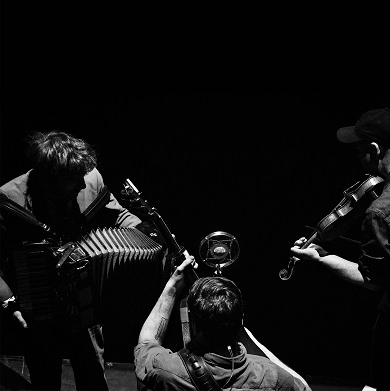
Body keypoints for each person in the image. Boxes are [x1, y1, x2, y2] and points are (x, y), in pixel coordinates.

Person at [290, 108, 390, 391]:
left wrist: (321, 257)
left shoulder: (382, 210)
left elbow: (371, 280)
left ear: (375, 149)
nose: (357, 156)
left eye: (358, 150)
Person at [0, 130, 154, 391]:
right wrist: (8, 302)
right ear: (49, 179)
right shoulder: (8, 201)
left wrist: (142, 229)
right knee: (45, 378)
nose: (83, 185)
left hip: (85, 300)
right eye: (74, 180)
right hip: (38, 306)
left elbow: (116, 214)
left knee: (93, 376)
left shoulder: (90, 178)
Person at [134, 254, 311, 391]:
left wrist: (172, 287)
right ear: (240, 320)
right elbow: (303, 387)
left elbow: (147, 343)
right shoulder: (272, 376)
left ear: (193, 323)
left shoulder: (166, 369)